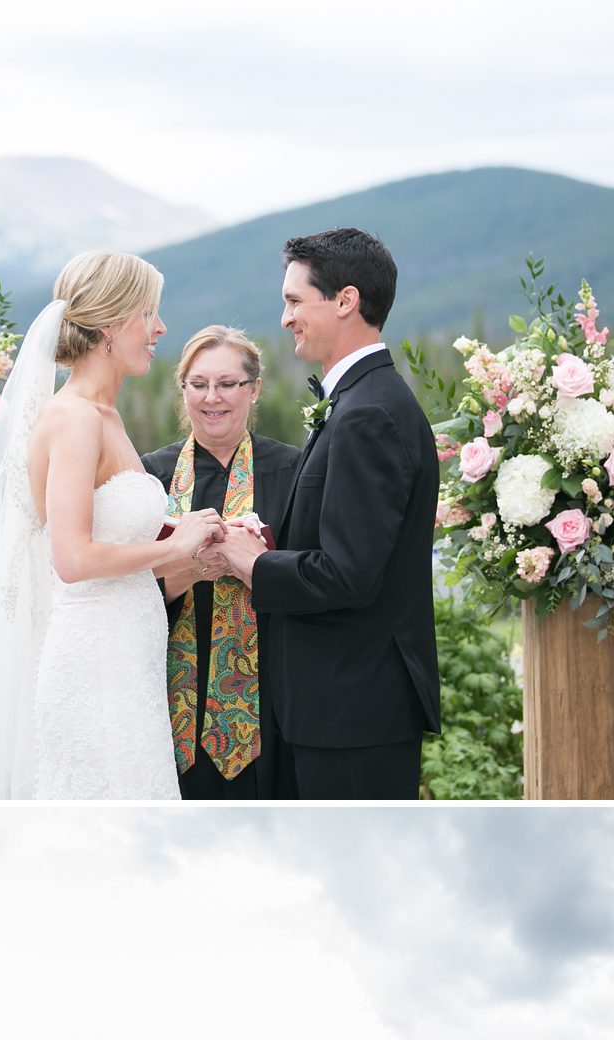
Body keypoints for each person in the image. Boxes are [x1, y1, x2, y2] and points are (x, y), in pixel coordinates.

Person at [0, 250, 223, 800]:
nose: (160, 328)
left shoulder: (106, 415)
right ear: (108, 324)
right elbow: (73, 559)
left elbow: (110, 527)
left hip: (130, 656)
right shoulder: (74, 417)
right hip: (94, 661)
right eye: (149, 313)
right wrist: (178, 548)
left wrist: (188, 531)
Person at [220, 228, 441, 800]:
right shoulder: (360, 402)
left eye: (295, 300)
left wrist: (254, 565)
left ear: (345, 301)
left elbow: (348, 574)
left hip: (354, 710)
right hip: (339, 708)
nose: (286, 316)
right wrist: (272, 544)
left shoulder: (369, 415)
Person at [142, 326, 301, 798]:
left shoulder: (295, 470)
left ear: (253, 390)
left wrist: (252, 564)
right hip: (169, 690)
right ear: (183, 390)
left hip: (267, 696)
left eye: (228, 384)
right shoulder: (152, 476)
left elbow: (311, 577)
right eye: (198, 384)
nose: (212, 398)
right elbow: (124, 586)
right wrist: (185, 571)